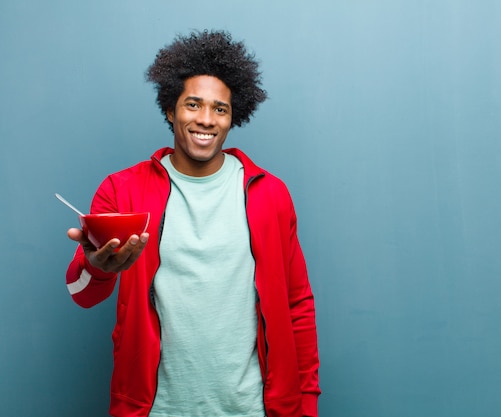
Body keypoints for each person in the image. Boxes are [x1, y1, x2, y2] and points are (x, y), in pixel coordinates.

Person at [65, 30, 320, 417]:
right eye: (193, 104)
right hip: (158, 409)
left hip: (253, 407)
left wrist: (306, 403)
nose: (206, 120)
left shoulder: (270, 194)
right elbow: (80, 292)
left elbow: (298, 304)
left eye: (220, 109)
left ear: (234, 117)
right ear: (170, 109)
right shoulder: (122, 190)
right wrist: (97, 268)